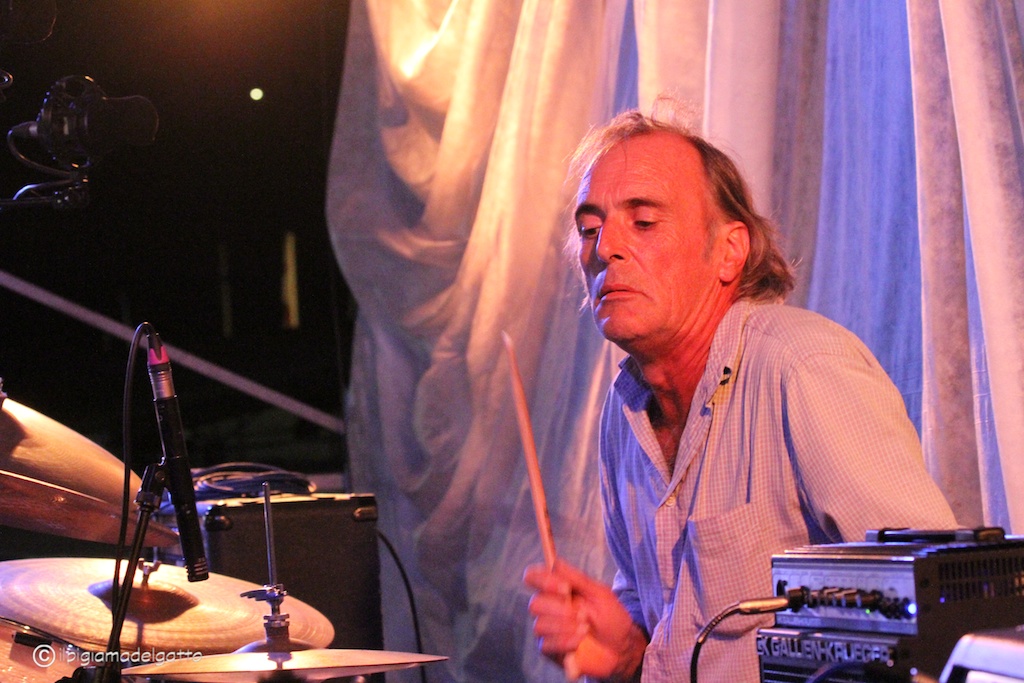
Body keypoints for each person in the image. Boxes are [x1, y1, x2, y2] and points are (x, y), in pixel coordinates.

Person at [522, 100, 958, 683]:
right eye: (589, 228)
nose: (604, 248)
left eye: (643, 222)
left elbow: (938, 605)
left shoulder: (802, 367)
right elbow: (667, 644)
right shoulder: (623, 411)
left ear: (729, 250)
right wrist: (626, 657)